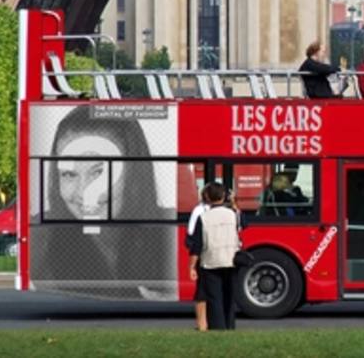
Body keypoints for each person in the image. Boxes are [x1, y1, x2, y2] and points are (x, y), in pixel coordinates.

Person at [31, 105, 175, 300]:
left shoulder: (174, 231)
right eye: (69, 174)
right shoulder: (39, 239)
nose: (84, 193)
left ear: (134, 172)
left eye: (99, 172)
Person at [188, 183, 239, 331]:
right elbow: (242, 226)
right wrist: (234, 204)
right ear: (223, 196)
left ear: (207, 197)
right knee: (228, 296)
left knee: (214, 297)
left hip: (210, 262)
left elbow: (197, 245)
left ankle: (218, 327)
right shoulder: (233, 214)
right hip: (230, 260)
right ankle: (230, 326)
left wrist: (192, 266)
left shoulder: (204, 218)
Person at [186, 186, 211, 331]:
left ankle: (202, 325)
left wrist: (192, 265)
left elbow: (191, 233)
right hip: (222, 256)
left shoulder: (199, 210)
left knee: (202, 291)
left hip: (204, 256)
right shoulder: (228, 211)